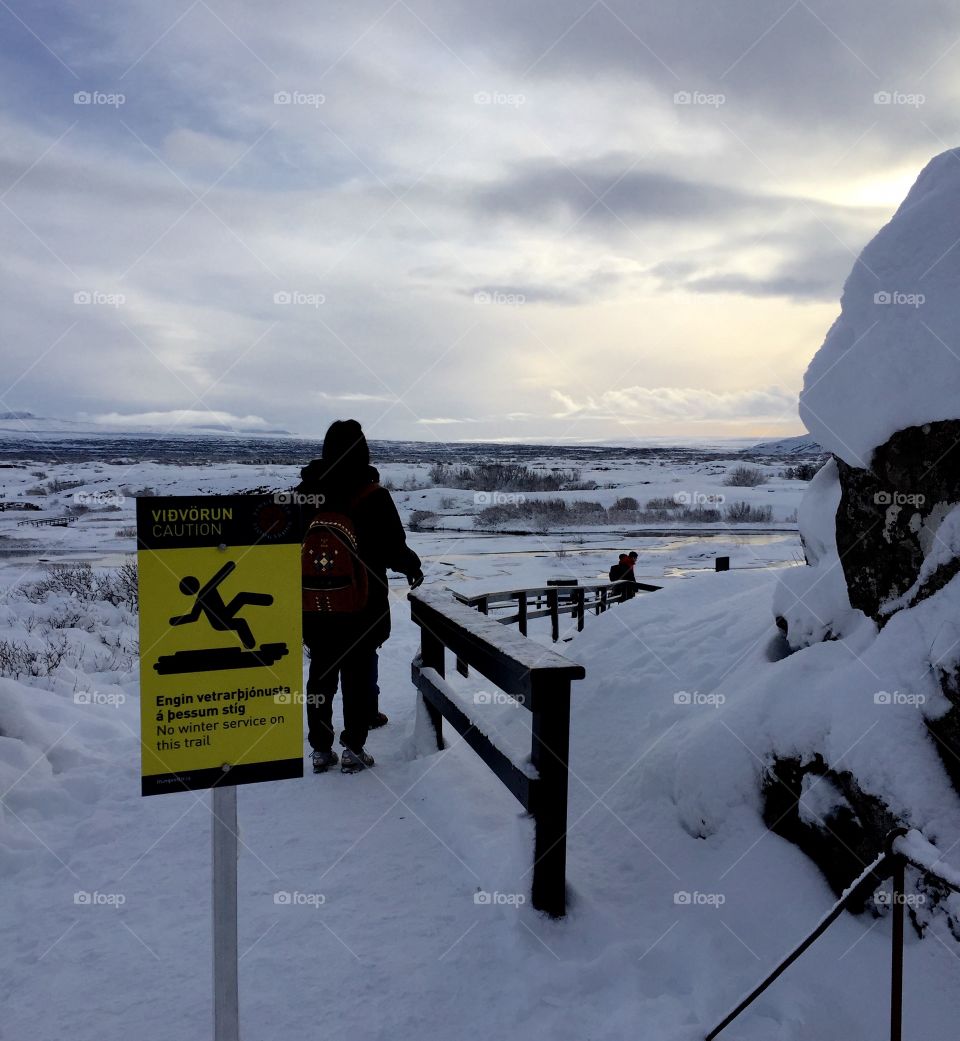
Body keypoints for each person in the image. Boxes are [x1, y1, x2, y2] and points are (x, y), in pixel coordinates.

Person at [297, 420, 423, 774]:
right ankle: (353, 747)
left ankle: (320, 749)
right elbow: (393, 547)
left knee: (320, 673)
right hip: (362, 604)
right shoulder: (374, 496)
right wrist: (412, 567)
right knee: (355, 673)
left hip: (316, 605)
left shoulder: (307, 494)